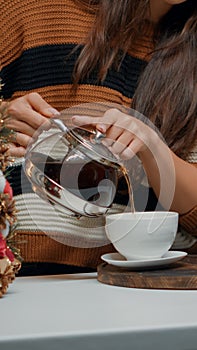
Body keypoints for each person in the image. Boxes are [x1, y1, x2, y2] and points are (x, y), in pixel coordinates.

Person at [0, 0, 196, 275]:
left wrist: (151, 145)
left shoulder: (189, 55)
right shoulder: (28, 10)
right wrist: (2, 117)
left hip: (141, 290)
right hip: (17, 285)